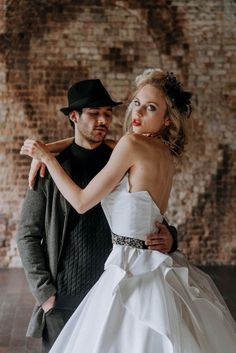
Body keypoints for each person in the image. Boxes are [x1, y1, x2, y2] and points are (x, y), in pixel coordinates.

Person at [20, 68, 236, 353]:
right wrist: (49, 148)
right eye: (137, 103)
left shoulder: (130, 145)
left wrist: (46, 156)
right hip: (136, 272)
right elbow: (28, 234)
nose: (138, 112)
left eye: (151, 107)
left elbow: (83, 201)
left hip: (124, 270)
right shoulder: (161, 152)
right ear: (75, 117)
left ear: (167, 118)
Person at [17, 78, 178, 353]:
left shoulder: (120, 157)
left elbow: (146, 213)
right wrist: (46, 294)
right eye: (94, 114)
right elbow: (27, 234)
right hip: (64, 295)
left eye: (107, 113)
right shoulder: (50, 171)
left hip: (114, 291)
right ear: (74, 116)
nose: (103, 120)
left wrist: (171, 237)